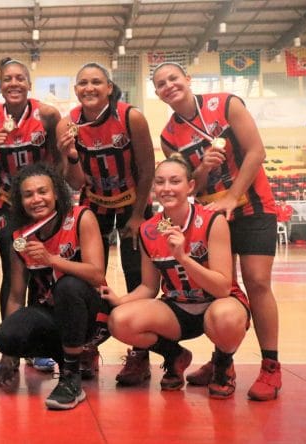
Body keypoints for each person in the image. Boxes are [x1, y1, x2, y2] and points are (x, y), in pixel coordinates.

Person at [153, 62, 281, 401]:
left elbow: (257, 152)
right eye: (161, 84)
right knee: (220, 290)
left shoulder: (226, 104)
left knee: (256, 282)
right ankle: (221, 360)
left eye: (173, 79)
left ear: (188, 80)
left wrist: (231, 196)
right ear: (157, 93)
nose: (169, 86)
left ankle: (271, 367)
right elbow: (190, 184)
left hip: (252, 207)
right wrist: (204, 168)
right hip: (212, 217)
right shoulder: (169, 136)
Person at [101, 155, 250, 399]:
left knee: (226, 317)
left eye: (174, 181)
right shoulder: (149, 229)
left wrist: (184, 258)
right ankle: (174, 356)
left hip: (218, 303)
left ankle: (222, 363)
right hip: (177, 308)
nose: (166, 188)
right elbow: (149, 288)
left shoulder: (213, 221)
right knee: (119, 320)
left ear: (190, 186)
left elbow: (223, 287)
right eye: (160, 182)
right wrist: (120, 300)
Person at [57, 63, 155, 384]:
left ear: (109, 87)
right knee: (88, 276)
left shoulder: (130, 117)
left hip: (133, 203)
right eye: (83, 82)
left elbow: (147, 168)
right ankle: (88, 346)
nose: (89, 87)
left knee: (136, 275)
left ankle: (140, 353)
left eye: (96, 82)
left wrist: (139, 214)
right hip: (94, 204)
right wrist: (70, 155)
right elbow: (74, 180)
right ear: (76, 90)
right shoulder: (68, 123)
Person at [0, 57, 62, 374]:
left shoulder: (47, 115)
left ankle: (38, 347)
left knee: (44, 271)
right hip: (8, 204)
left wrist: (60, 203)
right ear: (0, 85)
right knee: (12, 274)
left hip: (43, 205)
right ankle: (10, 350)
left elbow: (59, 165)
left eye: (20, 78)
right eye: (7, 79)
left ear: (29, 84)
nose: (14, 83)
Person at [0, 163, 107, 411]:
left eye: (42, 192)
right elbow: (15, 296)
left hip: (92, 312)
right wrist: (9, 355)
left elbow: (97, 275)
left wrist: (52, 259)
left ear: (56, 192)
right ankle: (66, 360)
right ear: (20, 200)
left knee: (68, 287)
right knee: (5, 336)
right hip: (52, 313)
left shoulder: (80, 217)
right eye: (28, 194)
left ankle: (71, 378)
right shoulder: (19, 237)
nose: (37, 199)